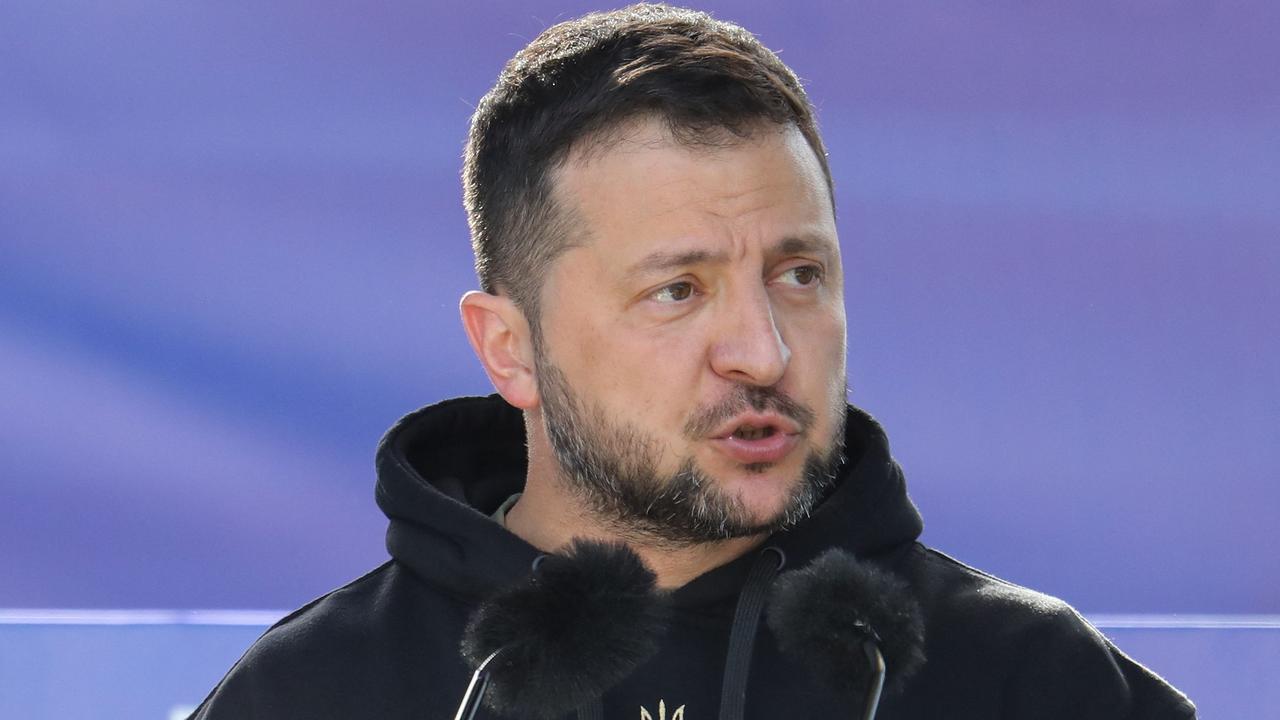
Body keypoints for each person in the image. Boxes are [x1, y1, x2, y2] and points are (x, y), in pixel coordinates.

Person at [189, 5, 1195, 719]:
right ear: (510, 348)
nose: (761, 350)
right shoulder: (309, 695)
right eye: (677, 290)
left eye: (797, 275)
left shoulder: (1031, 684)